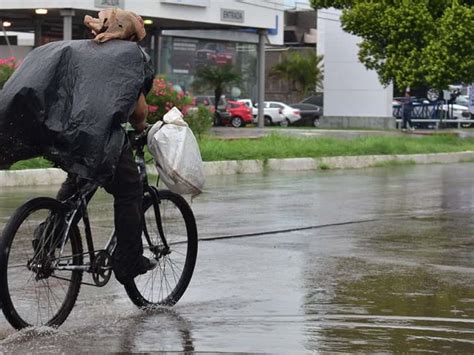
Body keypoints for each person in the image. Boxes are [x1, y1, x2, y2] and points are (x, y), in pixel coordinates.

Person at [0, 9, 156, 284]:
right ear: (130, 35)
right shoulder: (130, 57)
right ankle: (128, 260)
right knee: (130, 189)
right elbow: (138, 113)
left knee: (76, 182)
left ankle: (48, 241)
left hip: (63, 135)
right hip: (97, 139)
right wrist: (144, 128)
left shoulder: (74, 50)